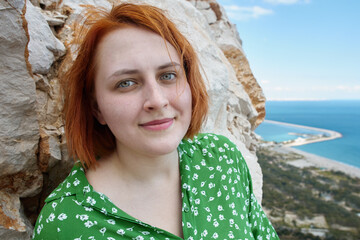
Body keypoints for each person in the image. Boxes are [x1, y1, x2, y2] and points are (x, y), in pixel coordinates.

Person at [33, 3, 279, 240]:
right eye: (126, 83)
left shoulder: (221, 159)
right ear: (96, 108)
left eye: (168, 75)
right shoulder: (63, 224)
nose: (157, 101)